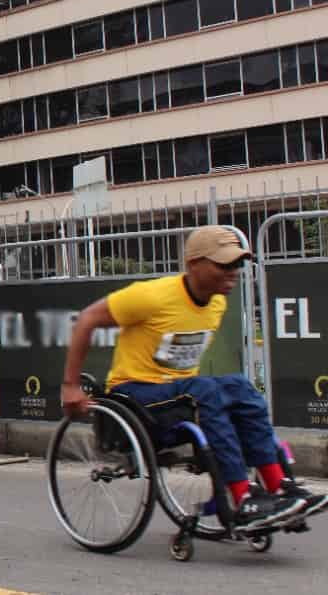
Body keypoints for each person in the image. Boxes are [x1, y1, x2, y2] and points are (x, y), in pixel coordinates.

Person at [62, 226, 327, 532]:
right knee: (205, 390)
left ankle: (278, 486)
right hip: (137, 396)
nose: (232, 273)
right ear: (193, 264)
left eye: (236, 265)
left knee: (239, 386)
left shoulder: (217, 303)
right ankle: (243, 498)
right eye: (223, 265)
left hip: (182, 395)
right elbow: (87, 319)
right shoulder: (151, 296)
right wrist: (70, 385)